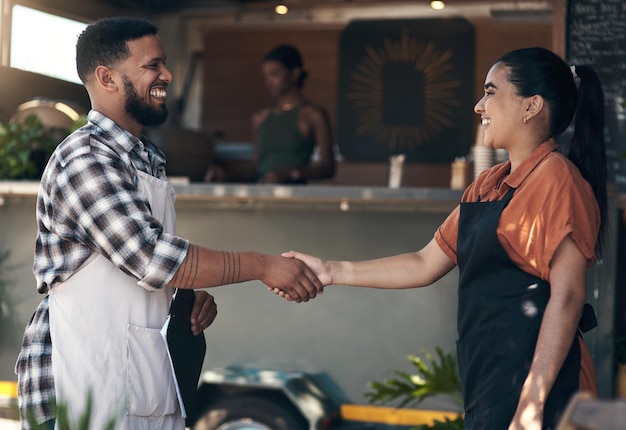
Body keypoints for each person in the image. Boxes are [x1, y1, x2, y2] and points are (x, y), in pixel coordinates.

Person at [15, 17, 322, 430]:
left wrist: (180, 301)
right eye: (152, 66)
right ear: (106, 77)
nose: (167, 75)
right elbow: (152, 258)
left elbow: (144, 272)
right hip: (80, 390)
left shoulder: (146, 158)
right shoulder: (85, 159)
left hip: (142, 387)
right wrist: (263, 265)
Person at [277, 47, 607, 430]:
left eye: (491, 91)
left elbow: (567, 298)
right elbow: (424, 262)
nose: (479, 106)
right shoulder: (487, 185)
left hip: (545, 390)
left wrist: (532, 406)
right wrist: (330, 270)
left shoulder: (558, 181)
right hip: (490, 379)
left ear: (531, 106)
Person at [205, 44, 335, 184]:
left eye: (275, 74)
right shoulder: (260, 118)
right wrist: (227, 175)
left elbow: (327, 167)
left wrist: (291, 172)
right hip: (261, 194)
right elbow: (257, 166)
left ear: (295, 74)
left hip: (294, 195)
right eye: (266, 76)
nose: (269, 82)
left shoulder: (313, 115)